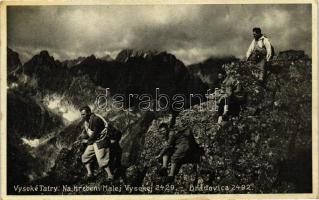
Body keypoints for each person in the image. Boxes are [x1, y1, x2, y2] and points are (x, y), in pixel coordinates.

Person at [79, 106, 114, 181]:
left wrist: (87, 141)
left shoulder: (95, 120)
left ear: (89, 112)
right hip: (94, 141)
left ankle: (110, 175)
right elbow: (89, 132)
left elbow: (95, 133)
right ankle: (89, 174)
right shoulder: (87, 120)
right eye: (81, 114)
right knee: (85, 157)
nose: (82, 116)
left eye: (83, 114)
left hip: (101, 141)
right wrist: (84, 136)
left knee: (102, 159)